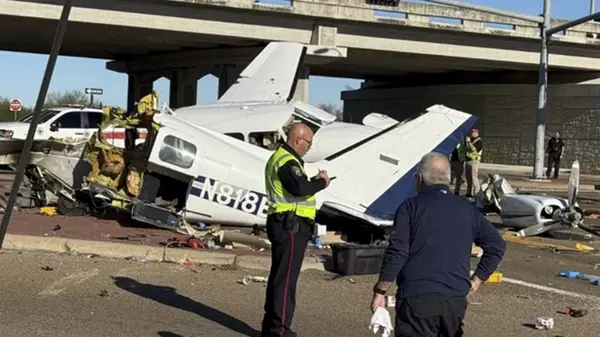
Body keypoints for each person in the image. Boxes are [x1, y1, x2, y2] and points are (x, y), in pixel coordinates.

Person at [370, 152, 506, 337]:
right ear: (448, 179)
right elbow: (496, 246)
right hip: (455, 300)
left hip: (417, 298)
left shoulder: (410, 208)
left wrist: (381, 290)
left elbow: (398, 252)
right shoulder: (468, 208)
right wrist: (476, 280)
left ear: (419, 179)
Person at [261, 123, 331, 337]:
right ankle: (279, 331)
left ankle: (271, 327)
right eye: (308, 142)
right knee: (286, 281)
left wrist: (310, 182)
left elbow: (296, 187)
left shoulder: (283, 159)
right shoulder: (287, 161)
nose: (309, 147)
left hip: (285, 223)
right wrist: (321, 183)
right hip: (290, 226)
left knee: (280, 277)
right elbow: (299, 188)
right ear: (298, 139)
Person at [464, 129, 483, 198]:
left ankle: (477, 193)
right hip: (468, 161)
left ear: (477, 133)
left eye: (473, 132)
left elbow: (473, 149)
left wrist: (469, 142)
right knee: (468, 178)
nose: (471, 133)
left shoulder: (479, 141)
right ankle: (469, 193)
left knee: (474, 178)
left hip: (474, 161)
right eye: (471, 132)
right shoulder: (471, 140)